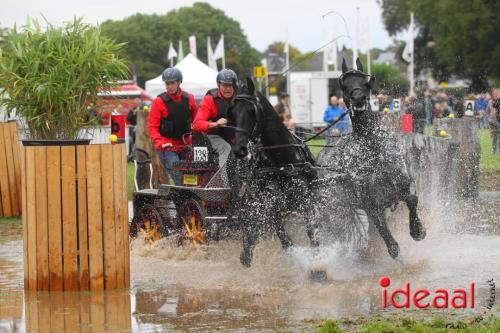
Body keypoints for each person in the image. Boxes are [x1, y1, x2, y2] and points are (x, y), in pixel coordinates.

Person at [147, 67, 197, 185]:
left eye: (172, 83)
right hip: (167, 147)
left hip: (186, 144)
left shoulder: (189, 98)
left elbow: (197, 121)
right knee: (180, 179)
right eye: (167, 83)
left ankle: (193, 201)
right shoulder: (158, 102)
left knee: (195, 177)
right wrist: (160, 143)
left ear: (179, 82)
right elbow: (152, 127)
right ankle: (183, 200)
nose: (169, 86)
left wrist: (198, 137)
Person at [192, 68, 238, 184]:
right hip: (213, 136)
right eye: (224, 85)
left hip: (234, 136)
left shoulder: (240, 99)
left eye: (230, 86)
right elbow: (197, 124)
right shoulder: (210, 100)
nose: (228, 89)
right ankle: (225, 183)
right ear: (218, 85)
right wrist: (216, 124)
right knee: (225, 148)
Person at [488, 89, 500, 154]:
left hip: (498, 120)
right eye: (494, 93)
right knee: (494, 137)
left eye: (497, 93)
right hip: (492, 121)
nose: (495, 94)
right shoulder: (490, 102)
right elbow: (488, 111)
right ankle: (494, 150)